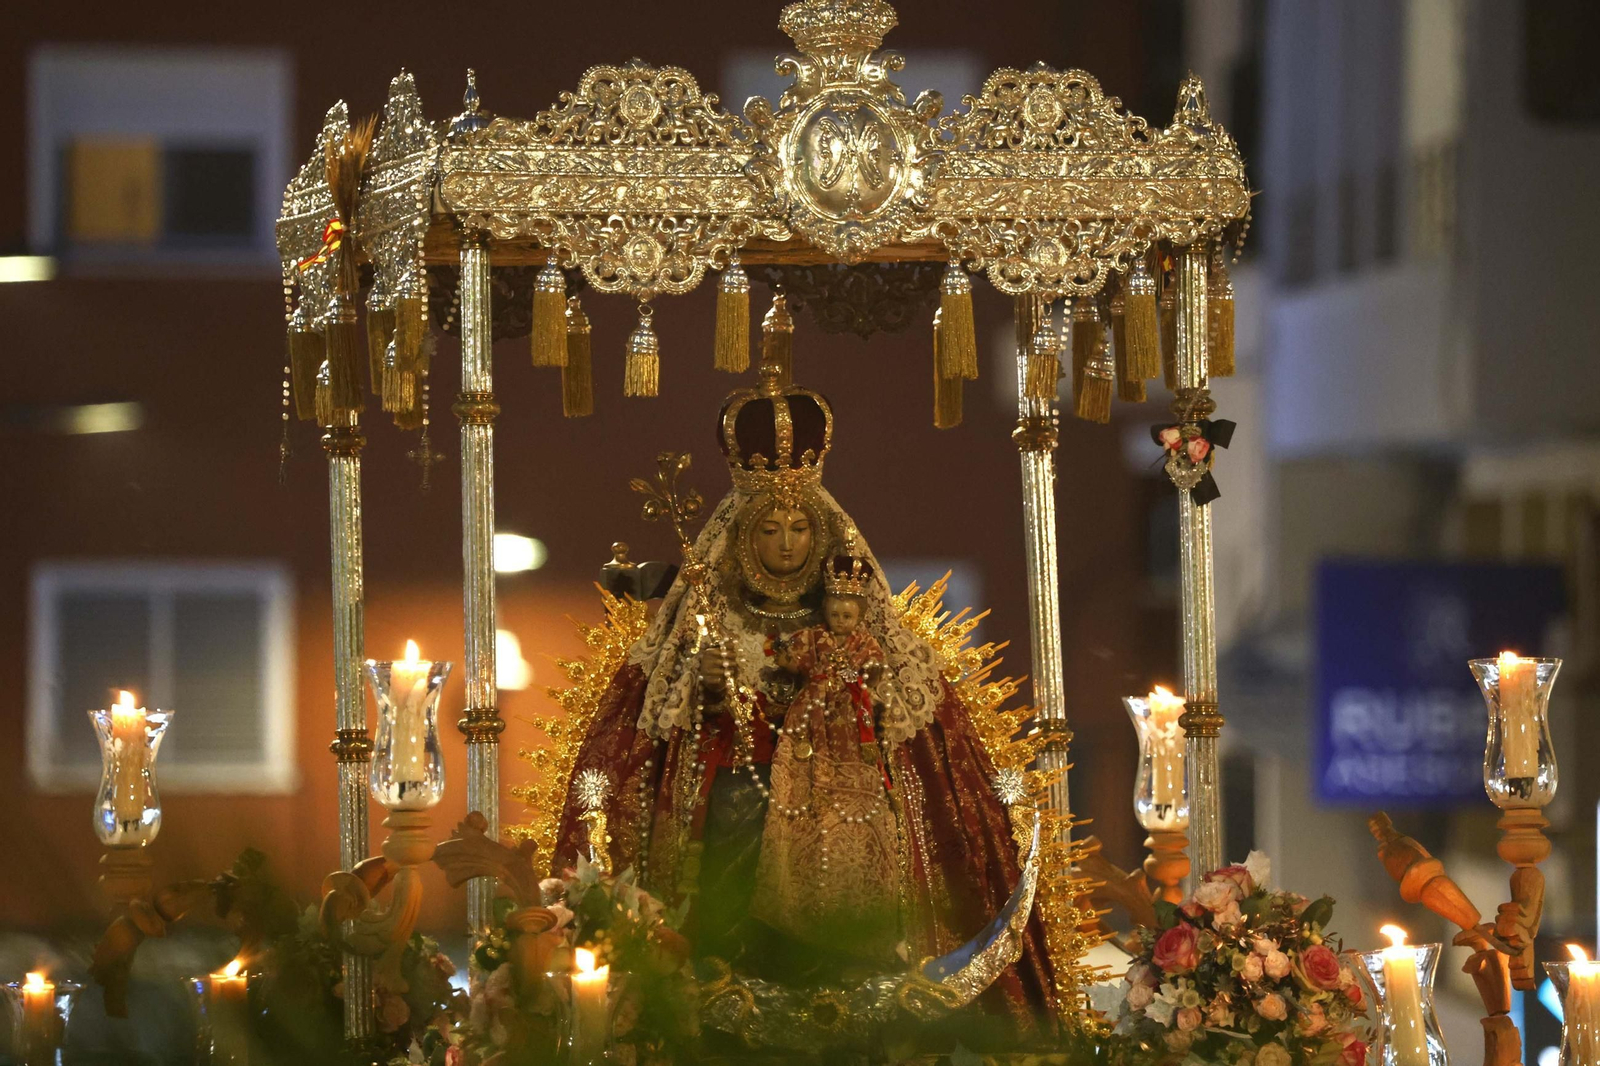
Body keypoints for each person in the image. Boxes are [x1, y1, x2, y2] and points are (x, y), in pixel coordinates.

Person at [551, 360, 1055, 1015]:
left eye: (798, 529)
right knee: (735, 947)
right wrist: (708, 683)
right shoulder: (707, 611)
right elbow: (657, 732)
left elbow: (902, 719)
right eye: (768, 529)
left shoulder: (849, 611)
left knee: (842, 951)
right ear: (741, 532)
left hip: (842, 813)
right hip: (738, 804)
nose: (785, 543)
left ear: (820, 532)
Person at [750, 552, 900, 965]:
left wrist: (858, 680)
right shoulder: (812, 637)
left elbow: (875, 670)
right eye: (834, 613)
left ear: (860, 614)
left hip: (851, 724)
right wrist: (780, 649)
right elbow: (787, 658)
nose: (840, 621)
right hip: (809, 720)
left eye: (848, 614)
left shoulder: (866, 643)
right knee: (800, 790)